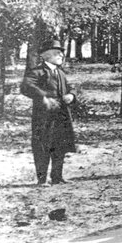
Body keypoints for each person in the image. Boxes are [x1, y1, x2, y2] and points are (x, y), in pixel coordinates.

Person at [20, 40, 77, 186]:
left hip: (61, 114)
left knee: (60, 144)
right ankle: (42, 179)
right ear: (47, 56)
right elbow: (26, 86)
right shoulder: (37, 71)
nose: (61, 55)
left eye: (61, 53)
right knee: (42, 144)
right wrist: (43, 96)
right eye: (57, 53)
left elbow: (70, 88)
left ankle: (57, 177)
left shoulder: (60, 72)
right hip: (43, 116)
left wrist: (71, 96)